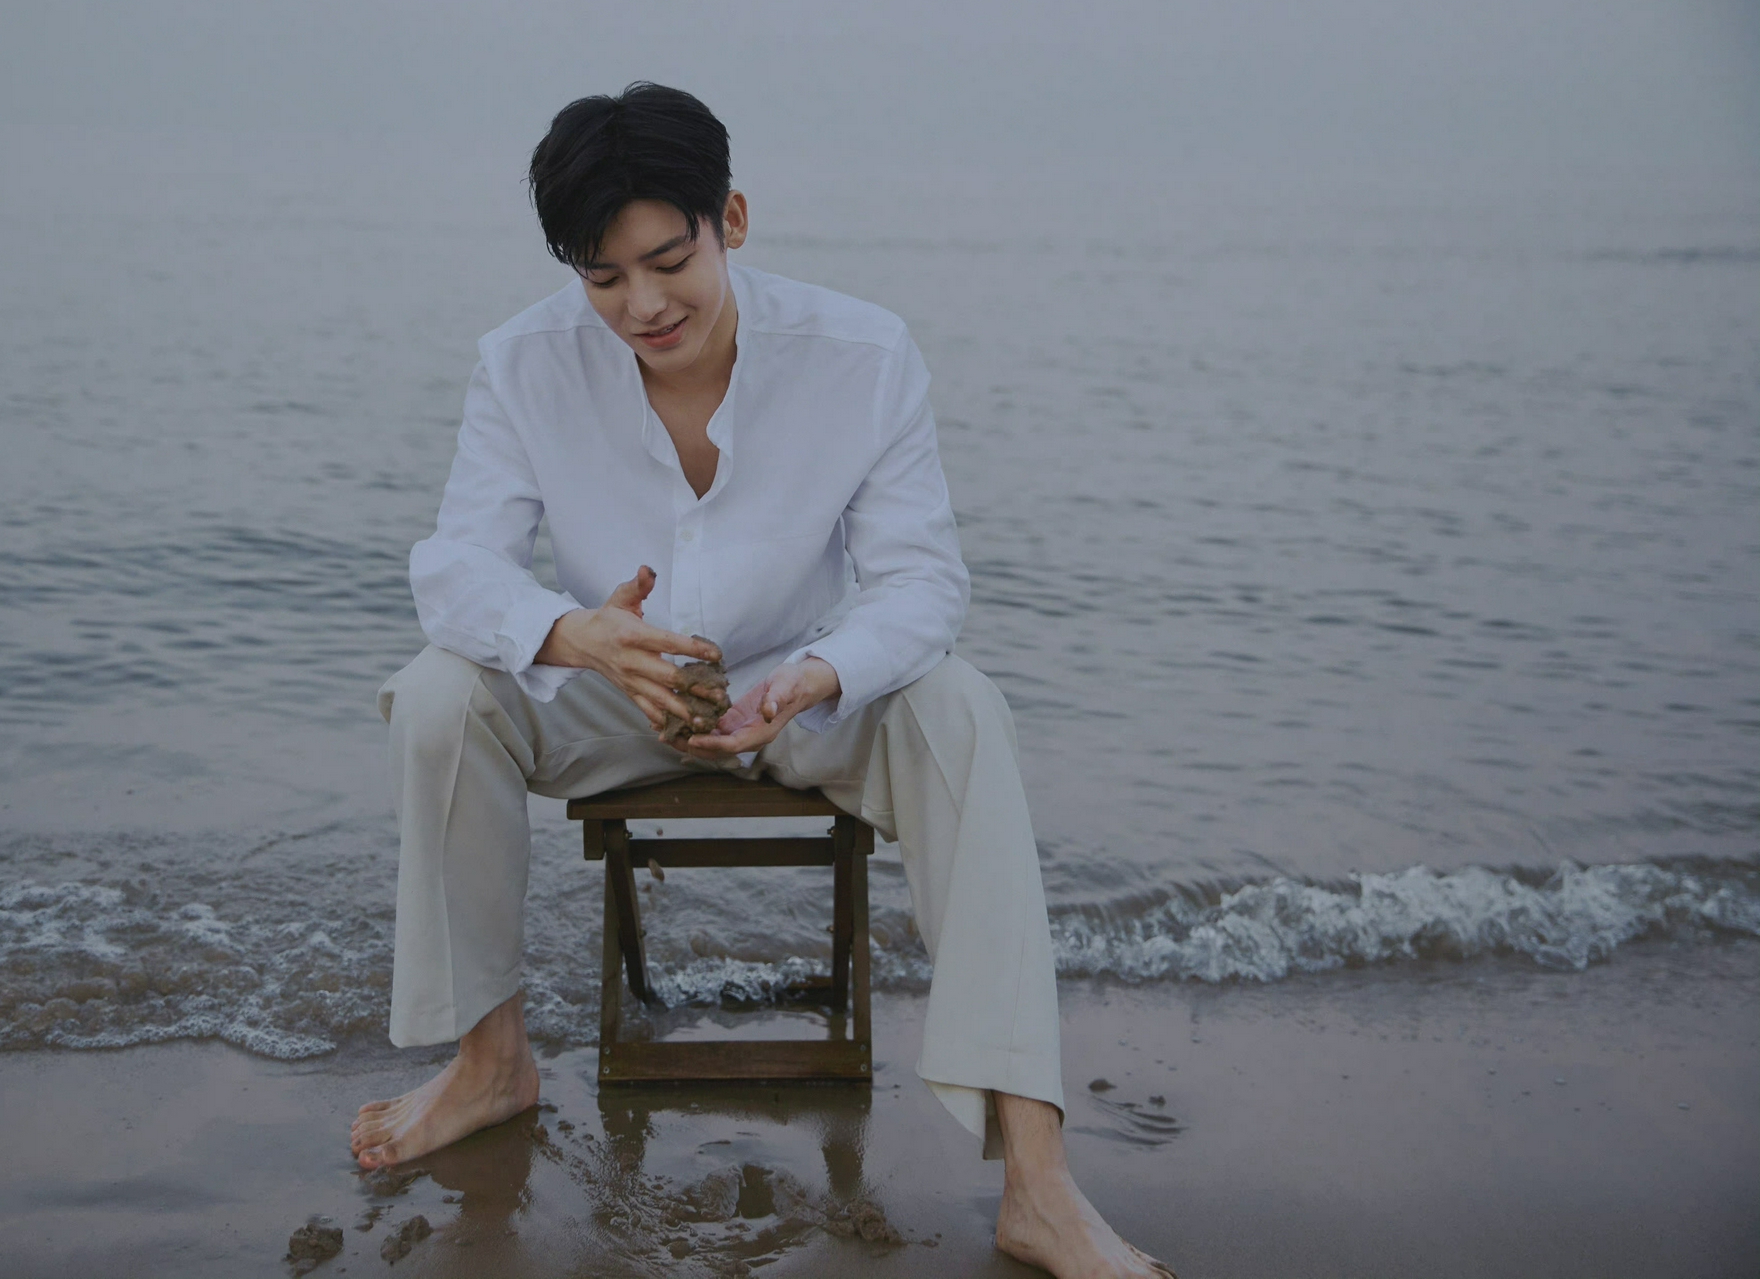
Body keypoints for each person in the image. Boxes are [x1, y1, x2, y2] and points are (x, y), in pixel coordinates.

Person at [350, 82, 1172, 1279]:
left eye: (666, 261)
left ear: (729, 219)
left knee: (962, 708)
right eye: (602, 277)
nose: (641, 305)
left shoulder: (862, 354)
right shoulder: (522, 364)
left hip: (801, 693)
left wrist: (820, 673)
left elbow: (921, 583)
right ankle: (490, 1063)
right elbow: (454, 569)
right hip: (616, 690)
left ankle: (1038, 1186)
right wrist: (580, 637)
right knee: (436, 692)